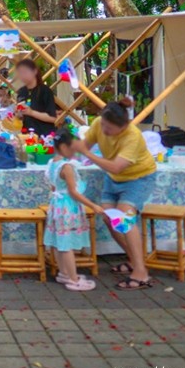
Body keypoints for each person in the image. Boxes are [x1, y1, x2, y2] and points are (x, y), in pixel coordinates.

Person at [71, 99, 158, 291]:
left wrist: (88, 154)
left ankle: (141, 273)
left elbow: (116, 165)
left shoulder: (132, 137)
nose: (104, 130)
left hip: (138, 178)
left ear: (124, 126)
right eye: (103, 124)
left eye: (109, 128)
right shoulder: (99, 124)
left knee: (124, 219)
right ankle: (134, 261)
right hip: (113, 179)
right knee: (110, 218)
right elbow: (85, 144)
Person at [45, 129, 105, 291]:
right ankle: (73, 278)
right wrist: (93, 205)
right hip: (68, 207)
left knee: (59, 242)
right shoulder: (67, 167)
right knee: (67, 244)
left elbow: (52, 186)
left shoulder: (52, 164)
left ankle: (63, 272)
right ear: (64, 147)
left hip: (56, 206)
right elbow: (73, 191)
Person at [15, 59, 57, 136]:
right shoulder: (21, 92)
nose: (22, 76)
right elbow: (21, 118)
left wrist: (31, 113)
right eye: (20, 73)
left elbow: (52, 118)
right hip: (27, 135)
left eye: (25, 72)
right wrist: (19, 114)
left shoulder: (45, 91)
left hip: (44, 136)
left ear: (34, 71)